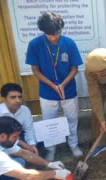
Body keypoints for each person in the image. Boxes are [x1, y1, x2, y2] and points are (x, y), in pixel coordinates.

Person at [26, 12, 83, 161]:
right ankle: (51, 149)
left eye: (57, 33)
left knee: (72, 119)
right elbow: (35, 71)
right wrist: (53, 85)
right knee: (49, 122)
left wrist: (62, 85)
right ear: (43, 32)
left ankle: (73, 145)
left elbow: (74, 68)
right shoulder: (34, 44)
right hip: (47, 92)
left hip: (68, 90)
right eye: (50, 34)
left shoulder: (69, 43)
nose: (54, 37)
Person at [0, 83, 38, 154]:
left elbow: (29, 129)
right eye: (13, 97)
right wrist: (23, 144)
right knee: (19, 160)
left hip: (13, 138)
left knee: (38, 141)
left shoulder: (24, 110)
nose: (18, 100)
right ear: (4, 99)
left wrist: (32, 145)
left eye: (20, 97)